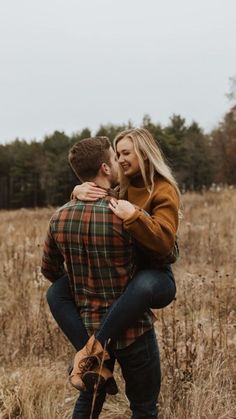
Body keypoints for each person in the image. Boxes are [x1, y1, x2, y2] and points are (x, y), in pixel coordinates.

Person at [42, 136, 161, 419]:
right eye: (113, 157)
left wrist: (82, 283)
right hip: (134, 330)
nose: (119, 162)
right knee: (144, 408)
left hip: (89, 331)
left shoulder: (59, 218)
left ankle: (92, 361)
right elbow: (162, 255)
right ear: (105, 169)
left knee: (88, 402)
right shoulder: (124, 214)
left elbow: (50, 270)